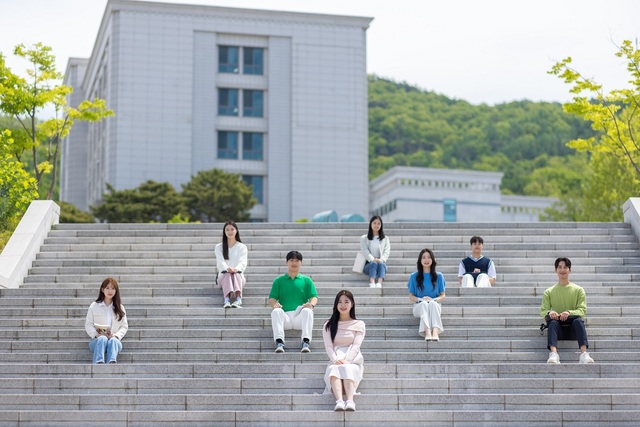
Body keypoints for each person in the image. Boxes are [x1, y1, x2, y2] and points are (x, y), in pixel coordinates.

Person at [540, 257, 594, 364]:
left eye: (565, 267)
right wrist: (550, 312)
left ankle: (584, 354)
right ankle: (554, 354)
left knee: (578, 321)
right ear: (555, 270)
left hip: (574, 330)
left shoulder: (578, 290)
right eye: (559, 267)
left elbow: (582, 310)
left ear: (570, 269)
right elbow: (543, 310)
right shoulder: (549, 292)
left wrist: (569, 312)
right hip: (557, 331)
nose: (562, 270)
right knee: (552, 323)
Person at [323, 290, 365, 412]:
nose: (343, 305)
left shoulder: (359, 324)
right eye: (340, 302)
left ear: (352, 304)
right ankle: (339, 401)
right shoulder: (328, 325)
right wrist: (336, 360)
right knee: (333, 369)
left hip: (353, 360)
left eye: (346, 302)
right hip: (335, 358)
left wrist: (347, 360)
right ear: (336, 305)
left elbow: (356, 345)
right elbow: (329, 347)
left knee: (347, 368)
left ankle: (350, 401)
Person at [268, 250, 318, 353]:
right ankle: (279, 342)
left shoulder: (306, 280)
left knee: (308, 311)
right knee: (276, 311)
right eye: (291, 260)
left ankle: (306, 341)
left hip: (299, 317)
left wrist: (311, 304)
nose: (294, 263)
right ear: (287, 262)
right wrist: (275, 305)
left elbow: (314, 297)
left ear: (301, 262)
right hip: (285, 318)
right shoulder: (279, 281)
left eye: (297, 260)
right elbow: (272, 298)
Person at [84, 277, 128, 364]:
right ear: (102, 289)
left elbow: (124, 326)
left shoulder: (120, 307)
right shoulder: (94, 306)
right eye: (107, 288)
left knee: (113, 341)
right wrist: (96, 335)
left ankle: (111, 363)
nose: (110, 291)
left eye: (113, 288)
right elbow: (88, 324)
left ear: (116, 291)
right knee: (102, 338)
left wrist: (116, 336)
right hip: (97, 341)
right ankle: (98, 362)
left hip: (114, 341)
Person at [408, 248, 446, 341]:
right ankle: (427, 331)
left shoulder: (439, 276)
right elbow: (411, 296)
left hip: (435, 305)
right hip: (419, 306)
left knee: (432, 304)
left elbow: (443, 295)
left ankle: (435, 331)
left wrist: (433, 300)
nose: (426, 260)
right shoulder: (414, 276)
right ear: (420, 260)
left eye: (429, 257)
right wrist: (422, 300)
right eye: (423, 257)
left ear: (432, 260)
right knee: (424, 304)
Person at [214, 220, 248, 308]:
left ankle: (238, 300)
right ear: (224, 232)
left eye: (232, 229)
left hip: (238, 277)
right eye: (227, 230)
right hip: (223, 277)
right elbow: (220, 262)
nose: (230, 232)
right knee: (228, 274)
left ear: (236, 231)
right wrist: (228, 269)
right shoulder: (219, 247)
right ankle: (227, 300)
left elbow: (243, 262)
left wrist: (235, 269)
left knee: (235, 274)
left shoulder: (242, 247)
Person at [359, 215, 391, 288]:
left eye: (378, 223)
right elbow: (364, 250)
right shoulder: (364, 238)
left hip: (381, 264)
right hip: (368, 264)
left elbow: (387, 251)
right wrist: (373, 259)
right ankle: (372, 282)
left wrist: (381, 260)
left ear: (381, 225)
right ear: (371, 224)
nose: (376, 225)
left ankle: (379, 282)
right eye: (374, 223)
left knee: (382, 263)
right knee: (374, 263)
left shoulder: (385, 239)